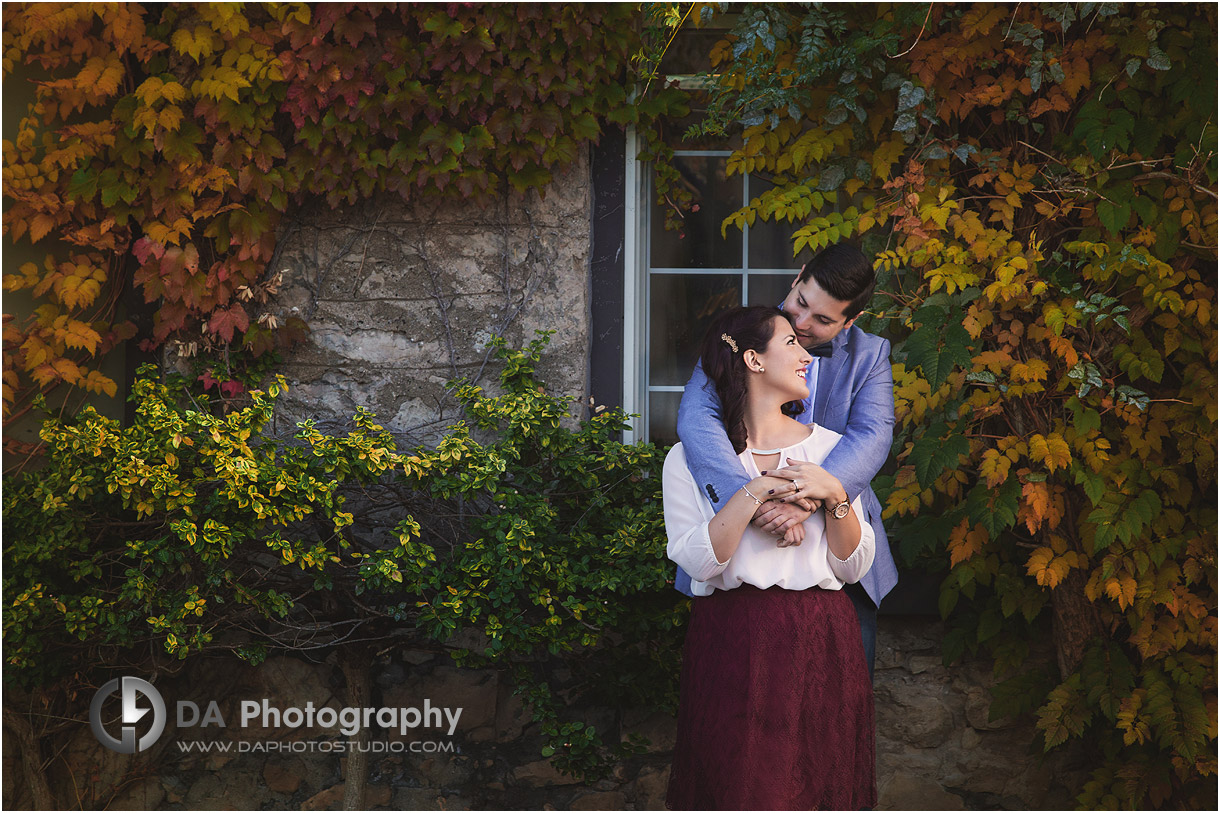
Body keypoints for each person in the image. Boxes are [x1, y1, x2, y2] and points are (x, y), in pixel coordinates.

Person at [663, 305, 877, 810]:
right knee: (738, 788)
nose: (807, 357)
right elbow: (698, 559)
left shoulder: (832, 451)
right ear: (754, 361)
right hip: (733, 637)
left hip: (820, 635)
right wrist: (754, 493)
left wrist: (833, 493)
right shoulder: (690, 459)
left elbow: (852, 565)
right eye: (792, 344)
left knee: (817, 786)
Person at [674, 242, 897, 676]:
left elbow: (872, 435)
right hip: (741, 558)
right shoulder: (742, 334)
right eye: (800, 302)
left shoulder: (871, 356)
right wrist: (751, 502)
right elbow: (697, 417)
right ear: (797, 277)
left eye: (823, 319)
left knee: (839, 712)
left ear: (851, 321)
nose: (801, 321)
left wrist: (804, 498)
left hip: (837, 555)